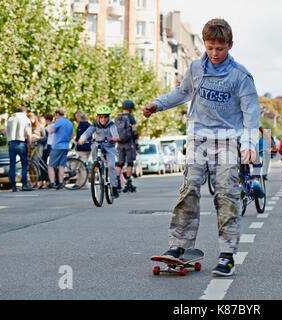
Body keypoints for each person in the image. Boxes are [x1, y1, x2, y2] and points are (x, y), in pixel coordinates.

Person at [143, 18, 260, 277]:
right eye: (209, 48)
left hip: (227, 141)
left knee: (226, 195)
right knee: (189, 191)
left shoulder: (240, 76)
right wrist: (158, 104)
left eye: (220, 48)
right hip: (198, 138)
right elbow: (182, 92)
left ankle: (227, 255)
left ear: (230, 45)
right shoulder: (196, 68)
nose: (214, 54)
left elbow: (251, 112)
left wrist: (250, 143)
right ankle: (179, 246)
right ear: (204, 46)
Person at [78, 105, 120, 198]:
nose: (103, 119)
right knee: (93, 145)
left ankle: (114, 187)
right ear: (98, 117)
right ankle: (95, 164)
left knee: (111, 165)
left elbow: (115, 133)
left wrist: (115, 138)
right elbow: (88, 132)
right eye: (101, 117)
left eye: (105, 117)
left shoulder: (111, 125)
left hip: (109, 146)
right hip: (98, 144)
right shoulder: (95, 124)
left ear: (108, 117)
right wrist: (82, 139)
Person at [5, 107, 33, 192]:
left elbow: (4, 132)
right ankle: (24, 184)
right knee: (24, 165)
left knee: (12, 165)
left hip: (11, 143)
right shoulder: (26, 119)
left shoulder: (10, 119)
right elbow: (28, 133)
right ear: (25, 112)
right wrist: (29, 143)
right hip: (21, 143)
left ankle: (13, 186)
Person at [115, 99, 138, 193]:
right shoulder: (131, 118)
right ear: (130, 108)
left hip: (120, 143)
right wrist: (136, 144)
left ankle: (116, 182)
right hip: (129, 143)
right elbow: (134, 132)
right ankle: (128, 182)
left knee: (120, 163)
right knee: (130, 162)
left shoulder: (118, 118)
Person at [47, 109, 74, 190]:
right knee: (61, 166)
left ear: (57, 115)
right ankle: (61, 183)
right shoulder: (70, 123)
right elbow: (72, 136)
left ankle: (52, 183)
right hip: (65, 146)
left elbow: (51, 131)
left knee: (51, 165)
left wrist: (51, 126)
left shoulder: (58, 122)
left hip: (57, 146)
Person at [73, 111, 92, 190]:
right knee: (82, 166)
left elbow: (78, 137)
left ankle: (84, 184)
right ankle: (79, 183)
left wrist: (74, 145)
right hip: (88, 147)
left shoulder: (81, 125)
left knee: (82, 167)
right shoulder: (88, 124)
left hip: (82, 148)